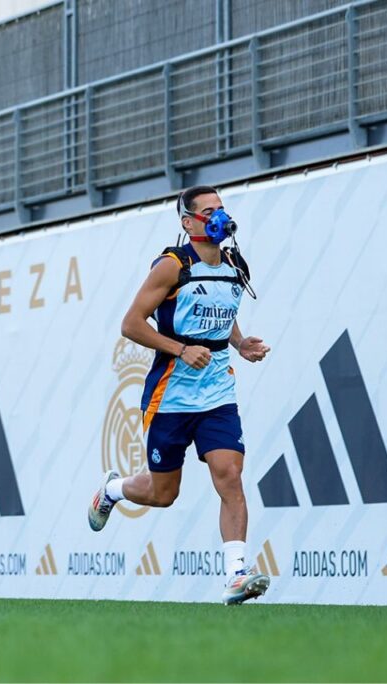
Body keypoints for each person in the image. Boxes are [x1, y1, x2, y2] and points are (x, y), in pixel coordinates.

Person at [87, 186, 272, 605]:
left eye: (222, 210)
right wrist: (180, 349)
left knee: (230, 475)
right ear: (188, 223)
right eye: (208, 212)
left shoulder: (235, 263)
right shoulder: (171, 267)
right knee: (163, 494)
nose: (219, 217)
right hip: (170, 394)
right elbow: (131, 324)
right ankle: (113, 490)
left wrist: (240, 344)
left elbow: (225, 312)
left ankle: (236, 575)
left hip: (218, 391)